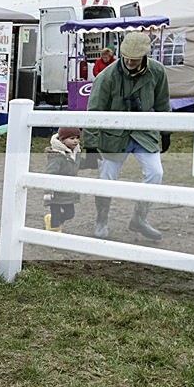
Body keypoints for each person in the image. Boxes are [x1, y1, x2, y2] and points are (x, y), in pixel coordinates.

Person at [84, 31, 171, 240]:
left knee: (155, 172)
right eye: (127, 57)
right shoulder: (107, 76)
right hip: (113, 134)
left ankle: (139, 218)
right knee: (107, 177)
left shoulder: (157, 72)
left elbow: (162, 103)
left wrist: (166, 132)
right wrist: (91, 143)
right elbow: (94, 109)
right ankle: (101, 220)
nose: (130, 61)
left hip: (143, 132)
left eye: (135, 58)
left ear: (144, 55)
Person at [43, 127, 82, 232]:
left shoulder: (76, 152)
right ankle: (54, 233)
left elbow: (76, 165)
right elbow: (50, 173)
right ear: (62, 140)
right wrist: (48, 191)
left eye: (77, 138)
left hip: (68, 191)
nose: (76, 141)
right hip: (55, 192)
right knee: (55, 218)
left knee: (70, 214)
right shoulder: (56, 156)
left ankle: (53, 222)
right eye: (72, 138)